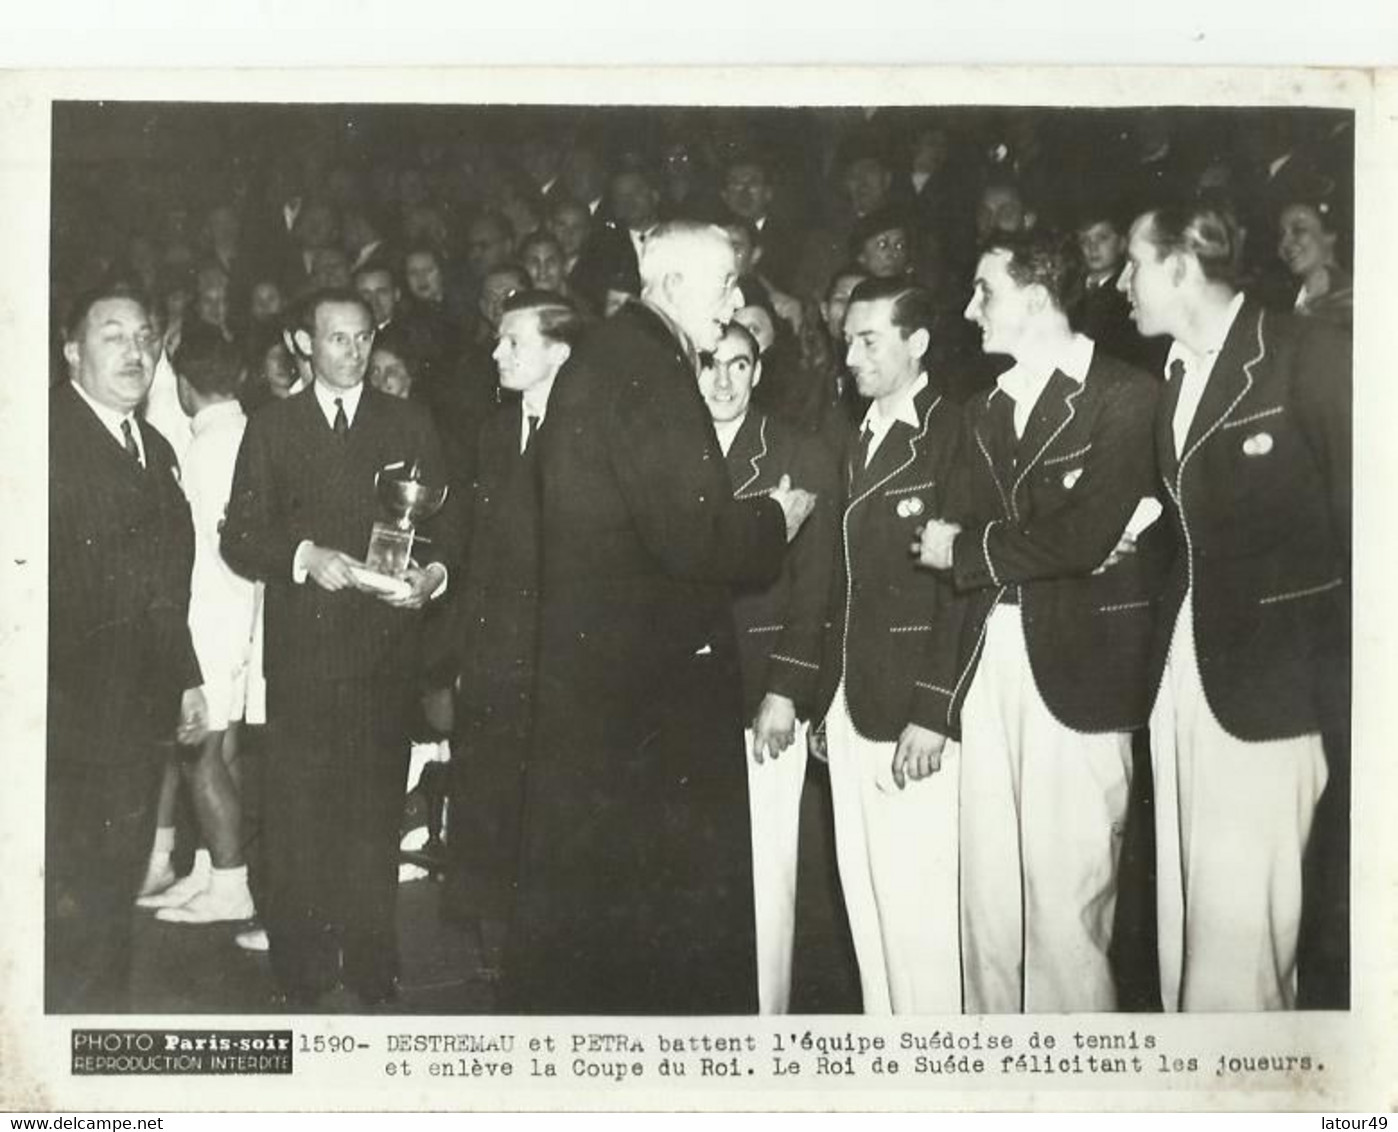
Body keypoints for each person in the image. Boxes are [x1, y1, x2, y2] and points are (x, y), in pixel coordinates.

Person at [507, 220, 816, 1015]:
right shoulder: (651, 371)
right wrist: (775, 518)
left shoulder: (611, 357)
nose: (735, 305)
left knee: (600, 919)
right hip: (647, 693)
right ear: (674, 287)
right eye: (724, 288)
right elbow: (694, 538)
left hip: (605, 682)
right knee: (658, 928)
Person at [914, 230, 1163, 1012]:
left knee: (1066, 909)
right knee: (988, 904)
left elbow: (1086, 535)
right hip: (992, 662)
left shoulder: (1125, 394)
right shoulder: (981, 409)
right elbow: (1032, 540)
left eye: (983, 291)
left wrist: (972, 547)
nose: (968, 308)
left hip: (1082, 671)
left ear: (1032, 298)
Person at [1117, 203, 1350, 1011]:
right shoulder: (1173, 378)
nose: (1120, 285)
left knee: (1241, 947)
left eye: (1134, 265)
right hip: (1183, 685)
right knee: (1192, 933)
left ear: (1182, 268)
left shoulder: (1307, 354)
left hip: (1271, 694)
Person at [221, 288, 463, 1007]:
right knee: (298, 817)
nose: (353, 352)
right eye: (336, 339)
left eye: (363, 338)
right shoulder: (272, 427)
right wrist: (302, 553)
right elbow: (241, 536)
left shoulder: (410, 422)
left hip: (386, 651)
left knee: (374, 810)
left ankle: (369, 959)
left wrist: (434, 574)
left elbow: (447, 527)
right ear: (304, 343)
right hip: (304, 659)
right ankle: (302, 966)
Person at [48, 283, 208, 1011]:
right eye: (112, 335)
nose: (135, 350)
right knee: (72, 893)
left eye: (145, 336)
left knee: (112, 883)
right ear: (72, 349)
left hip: (137, 713)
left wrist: (186, 680)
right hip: (66, 716)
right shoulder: (43, 439)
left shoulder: (158, 448)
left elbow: (165, 586)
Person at [811, 277, 965, 1015]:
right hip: (852, 705)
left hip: (913, 710)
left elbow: (964, 589)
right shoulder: (851, 437)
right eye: (847, 339)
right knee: (867, 908)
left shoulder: (953, 433)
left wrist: (934, 709)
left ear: (918, 342)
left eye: (868, 340)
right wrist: (824, 698)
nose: (851, 356)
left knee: (922, 917)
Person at [435, 291, 583, 978]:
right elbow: (473, 546)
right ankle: (493, 939)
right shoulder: (493, 434)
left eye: (513, 342)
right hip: (495, 651)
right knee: (490, 793)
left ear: (559, 351)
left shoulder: (590, 436)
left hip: (563, 656)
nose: (496, 353)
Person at [700, 323, 840, 1013]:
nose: (723, 381)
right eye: (708, 364)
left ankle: (765, 1025)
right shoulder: (666, 451)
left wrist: (786, 690)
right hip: (678, 693)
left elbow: (815, 585)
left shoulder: (796, 451)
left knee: (763, 873)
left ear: (758, 370)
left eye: (739, 364)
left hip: (762, 689)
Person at [138, 325, 262, 926]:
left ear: (184, 385)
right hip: (242, 616)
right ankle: (214, 871)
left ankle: (233, 883)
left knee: (199, 752)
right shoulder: (248, 432)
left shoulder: (207, 447)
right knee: (222, 746)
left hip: (211, 615)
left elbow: (201, 550)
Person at [1277, 195, 1352, 328]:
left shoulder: (1350, 302)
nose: (1285, 243)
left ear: (1330, 234)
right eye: (1281, 234)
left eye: (1299, 230)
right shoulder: (1289, 300)